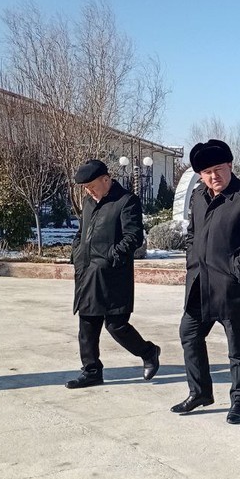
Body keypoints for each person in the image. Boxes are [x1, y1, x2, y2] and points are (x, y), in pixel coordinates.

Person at [172, 139, 240, 424]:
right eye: (206, 172)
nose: (213, 176)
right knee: (189, 335)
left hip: (232, 289)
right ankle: (200, 392)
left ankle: (239, 402)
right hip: (200, 285)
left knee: (238, 350)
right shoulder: (198, 196)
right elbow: (193, 234)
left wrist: (235, 270)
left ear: (230, 165)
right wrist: (192, 261)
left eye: (218, 169)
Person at [66, 159, 160, 389]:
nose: (89, 191)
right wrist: (77, 252)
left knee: (116, 325)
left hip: (112, 275)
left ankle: (148, 352)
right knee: (87, 326)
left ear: (106, 179)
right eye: (85, 188)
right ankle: (91, 371)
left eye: (92, 186)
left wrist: (111, 257)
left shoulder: (126, 201)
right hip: (87, 273)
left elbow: (134, 237)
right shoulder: (89, 202)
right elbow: (82, 231)